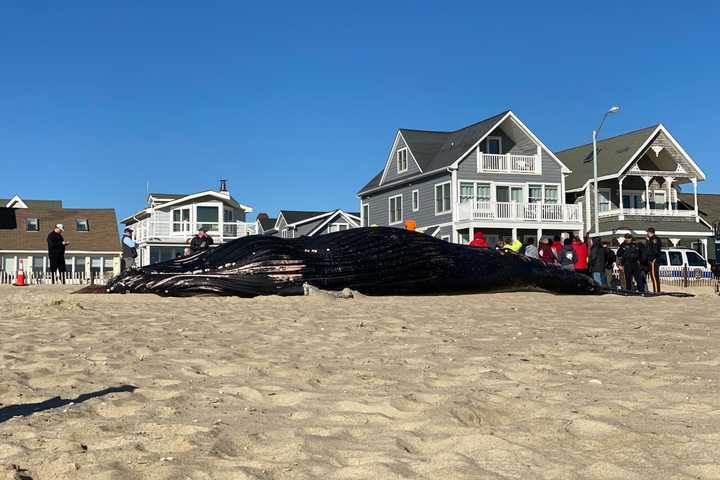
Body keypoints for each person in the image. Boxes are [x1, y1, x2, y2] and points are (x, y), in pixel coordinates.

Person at [646, 226, 662, 293]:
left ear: (650, 232)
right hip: (654, 258)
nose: (647, 234)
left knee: (654, 276)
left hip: (654, 260)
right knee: (653, 276)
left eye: (647, 232)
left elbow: (655, 250)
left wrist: (651, 258)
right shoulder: (651, 239)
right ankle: (656, 290)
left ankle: (656, 291)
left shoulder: (654, 239)